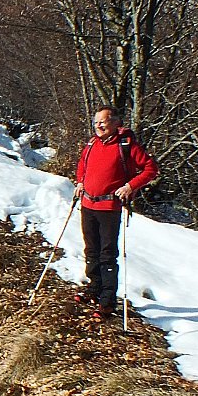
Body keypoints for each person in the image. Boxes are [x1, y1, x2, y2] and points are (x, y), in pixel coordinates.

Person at [74, 106, 158, 318]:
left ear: (115, 122)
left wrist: (130, 186)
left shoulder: (127, 145)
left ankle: (107, 301)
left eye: (103, 121)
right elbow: (82, 165)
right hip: (88, 204)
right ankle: (94, 289)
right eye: (96, 123)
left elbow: (150, 169)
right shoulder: (92, 143)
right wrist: (80, 182)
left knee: (107, 254)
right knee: (91, 250)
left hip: (109, 207)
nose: (99, 126)